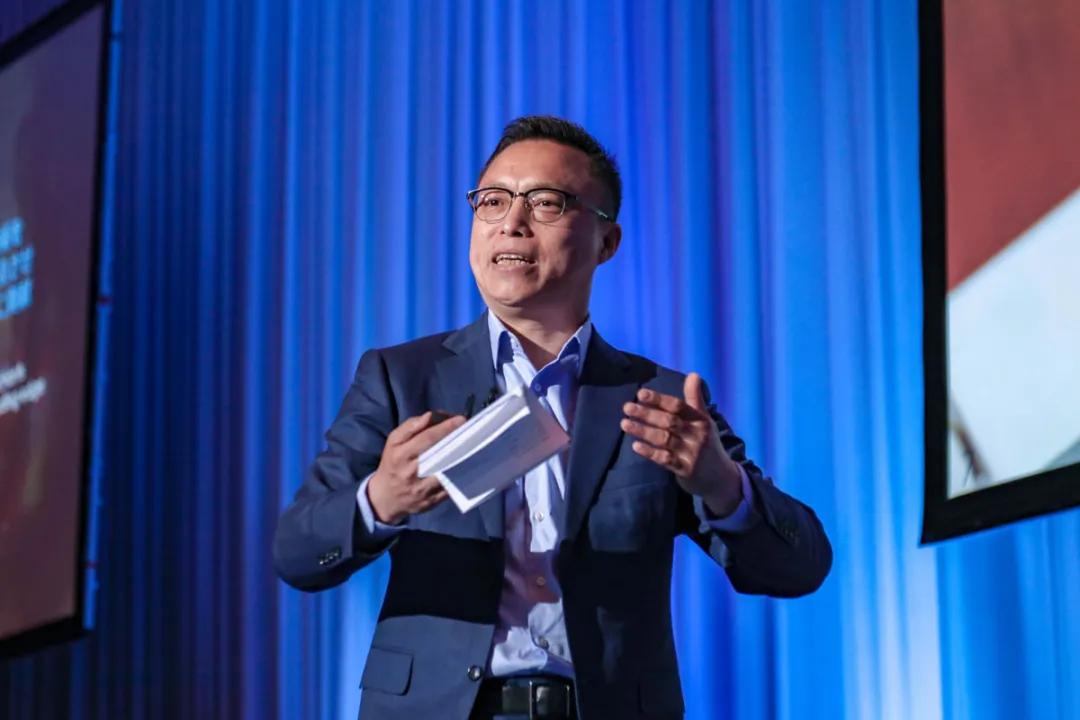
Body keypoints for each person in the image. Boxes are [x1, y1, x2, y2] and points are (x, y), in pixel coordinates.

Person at [273, 115, 832, 720]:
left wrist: (722, 484)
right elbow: (298, 552)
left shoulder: (660, 401)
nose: (511, 221)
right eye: (492, 200)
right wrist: (379, 500)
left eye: (545, 202)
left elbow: (799, 567)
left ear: (607, 242)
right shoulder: (401, 378)